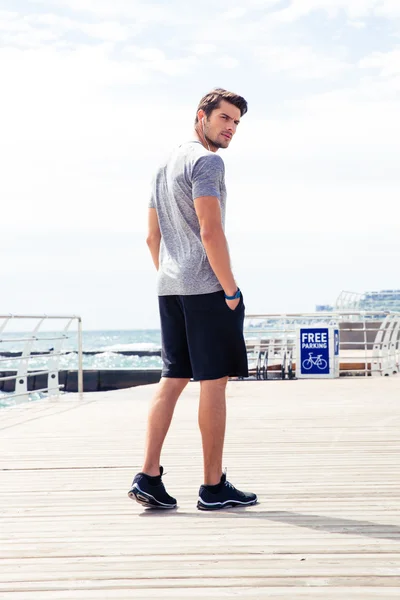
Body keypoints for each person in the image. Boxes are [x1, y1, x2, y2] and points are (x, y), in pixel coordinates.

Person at [128, 88, 257, 511]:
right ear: (200, 116)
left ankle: (148, 476)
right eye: (224, 118)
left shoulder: (163, 166)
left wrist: (171, 274)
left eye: (236, 122)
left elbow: (152, 237)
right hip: (206, 289)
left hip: (170, 287)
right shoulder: (207, 161)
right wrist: (231, 289)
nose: (230, 128)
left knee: (172, 380)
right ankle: (213, 486)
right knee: (214, 384)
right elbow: (210, 231)